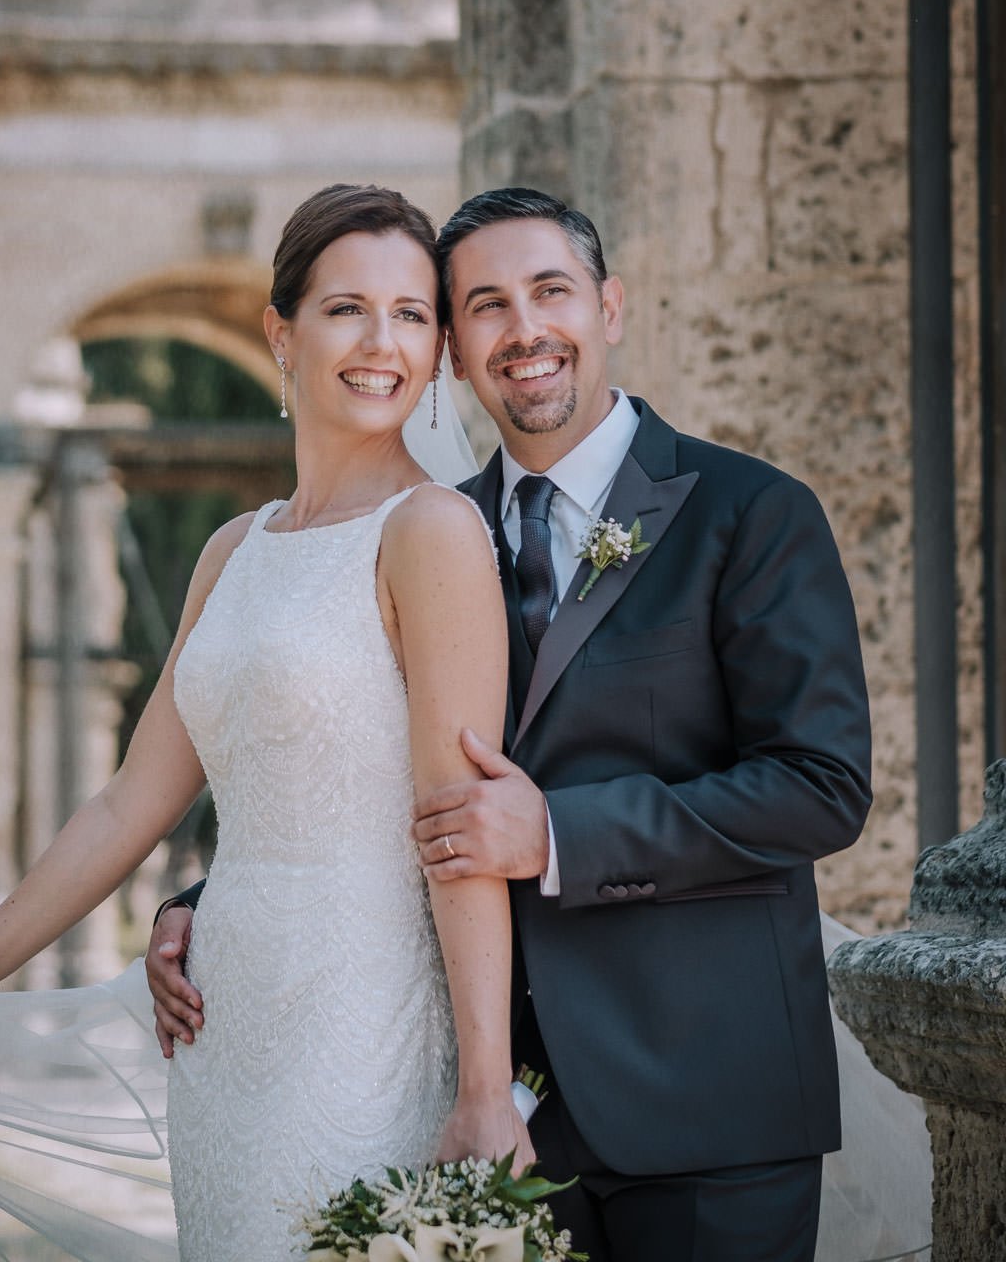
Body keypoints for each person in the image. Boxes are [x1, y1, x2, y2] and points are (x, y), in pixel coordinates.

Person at [147, 187, 931, 1262]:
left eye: (549, 291)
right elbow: (379, 767)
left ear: (608, 308)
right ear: (454, 352)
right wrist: (211, 906)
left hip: (706, 1102)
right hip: (497, 1115)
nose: (523, 329)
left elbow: (819, 786)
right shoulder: (429, 530)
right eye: (484, 305)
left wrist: (559, 834)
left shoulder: (748, 511)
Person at [0, 183, 533, 1262]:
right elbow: (126, 806)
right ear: (280, 333)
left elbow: (458, 827)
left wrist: (484, 1087)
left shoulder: (430, 532)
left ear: (438, 349)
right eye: (346, 309)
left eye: (410, 315)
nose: (380, 343)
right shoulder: (233, 550)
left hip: (366, 1027)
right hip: (222, 1031)